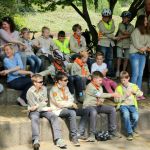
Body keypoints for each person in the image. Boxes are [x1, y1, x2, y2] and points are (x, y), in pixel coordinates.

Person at [26, 74, 66, 150]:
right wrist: (39, 105)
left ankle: (58, 139)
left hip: (43, 109)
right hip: (34, 111)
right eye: (40, 82)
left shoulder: (44, 88)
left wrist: (38, 105)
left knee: (54, 116)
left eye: (42, 81)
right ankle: (36, 140)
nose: (42, 83)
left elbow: (45, 101)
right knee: (34, 117)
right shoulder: (30, 92)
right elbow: (33, 107)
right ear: (34, 83)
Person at [50, 72, 89, 146]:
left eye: (67, 80)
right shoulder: (54, 90)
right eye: (65, 80)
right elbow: (59, 103)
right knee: (72, 113)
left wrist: (70, 103)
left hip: (68, 108)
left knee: (86, 111)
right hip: (58, 110)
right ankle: (74, 137)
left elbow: (71, 98)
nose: (67, 81)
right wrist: (70, 104)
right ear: (59, 81)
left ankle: (79, 133)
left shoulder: (66, 88)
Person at [83, 71, 121, 142]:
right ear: (94, 79)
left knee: (112, 109)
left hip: (97, 106)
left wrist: (101, 101)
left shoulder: (100, 87)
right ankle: (92, 135)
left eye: (101, 80)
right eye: (100, 80)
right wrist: (112, 94)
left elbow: (101, 97)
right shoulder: (90, 86)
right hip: (89, 106)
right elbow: (99, 94)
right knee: (93, 112)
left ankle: (113, 131)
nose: (101, 82)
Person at [114, 71, 143, 141]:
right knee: (126, 115)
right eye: (121, 80)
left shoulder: (133, 86)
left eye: (124, 80)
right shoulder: (118, 88)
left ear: (128, 78)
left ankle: (131, 129)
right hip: (123, 105)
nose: (123, 81)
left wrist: (134, 92)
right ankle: (130, 133)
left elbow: (141, 94)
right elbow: (116, 100)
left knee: (136, 117)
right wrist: (124, 96)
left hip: (132, 105)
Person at [129, 15, 150, 100]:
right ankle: (132, 94)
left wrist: (144, 48)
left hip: (142, 55)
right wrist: (145, 48)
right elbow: (137, 45)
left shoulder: (147, 31)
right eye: (145, 20)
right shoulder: (135, 32)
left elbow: (149, 43)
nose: (147, 22)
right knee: (135, 74)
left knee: (140, 75)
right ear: (141, 21)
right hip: (134, 54)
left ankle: (138, 94)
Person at [97, 8, 118, 76]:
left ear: (109, 17)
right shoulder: (100, 23)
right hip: (103, 43)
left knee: (110, 59)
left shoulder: (112, 21)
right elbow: (104, 31)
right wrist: (111, 35)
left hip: (110, 43)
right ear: (102, 16)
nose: (106, 18)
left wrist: (106, 33)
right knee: (102, 58)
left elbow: (113, 29)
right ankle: (102, 73)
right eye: (104, 16)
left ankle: (110, 73)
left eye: (107, 17)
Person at [116, 11, 134, 77]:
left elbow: (131, 35)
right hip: (120, 43)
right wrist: (129, 34)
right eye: (122, 17)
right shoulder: (120, 24)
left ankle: (123, 72)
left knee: (126, 58)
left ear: (128, 18)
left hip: (127, 44)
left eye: (124, 17)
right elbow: (124, 32)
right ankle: (117, 71)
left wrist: (121, 37)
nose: (123, 19)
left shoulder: (132, 26)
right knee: (119, 57)